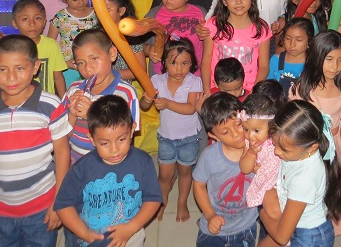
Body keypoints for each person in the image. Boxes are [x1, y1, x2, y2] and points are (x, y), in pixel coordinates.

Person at [0, 35, 71, 247]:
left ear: (35, 67)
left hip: (41, 207)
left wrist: (59, 201)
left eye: (20, 68)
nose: (11, 77)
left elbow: (62, 153)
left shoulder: (50, 105)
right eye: (2, 69)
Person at [55, 95, 162, 247]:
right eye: (105, 143)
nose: (114, 149)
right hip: (88, 241)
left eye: (121, 139)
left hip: (130, 235)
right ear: (92, 139)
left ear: (132, 130)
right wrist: (85, 234)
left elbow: (153, 199)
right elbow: (63, 205)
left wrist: (130, 228)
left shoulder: (143, 162)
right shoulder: (81, 169)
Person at [289, 30, 341, 236]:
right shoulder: (301, 90)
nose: (335, 66)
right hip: (308, 150)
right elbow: (293, 129)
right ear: (317, 57)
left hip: (334, 150)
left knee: (330, 193)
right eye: (329, 59)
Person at [259, 99, 341, 247]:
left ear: (312, 148)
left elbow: (282, 237)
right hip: (295, 223)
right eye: (275, 144)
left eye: (284, 149)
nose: (276, 151)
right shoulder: (297, 148)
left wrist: (262, 214)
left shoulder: (304, 180)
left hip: (310, 237)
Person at [139, 38, 202, 222]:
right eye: (173, 63)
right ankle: (162, 202)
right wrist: (146, 100)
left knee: (185, 172)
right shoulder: (156, 80)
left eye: (185, 63)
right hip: (166, 137)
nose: (179, 69)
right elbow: (144, 106)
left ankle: (182, 203)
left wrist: (167, 103)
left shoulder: (194, 81)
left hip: (189, 138)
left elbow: (191, 108)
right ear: (164, 62)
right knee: (164, 175)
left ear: (192, 63)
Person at [62, 29, 140, 164]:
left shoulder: (126, 93)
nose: (88, 68)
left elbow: (127, 137)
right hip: (76, 161)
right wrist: (72, 115)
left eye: (94, 59)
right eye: (81, 63)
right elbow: (62, 137)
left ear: (112, 54)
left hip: (110, 164)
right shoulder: (73, 89)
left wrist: (92, 114)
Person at [193, 92, 258, 246]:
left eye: (238, 124)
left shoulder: (258, 149)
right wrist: (210, 215)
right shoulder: (210, 156)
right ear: (213, 136)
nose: (236, 134)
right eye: (225, 132)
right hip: (214, 228)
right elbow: (198, 185)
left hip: (246, 226)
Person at [201, 0, 272, 95]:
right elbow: (206, 61)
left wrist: (253, 92)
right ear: (224, 1)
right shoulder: (214, 25)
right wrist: (207, 90)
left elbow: (264, 66)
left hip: (248, 90)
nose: (238, 2)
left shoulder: (261, 28)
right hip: (218, 89)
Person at [145, 0, 205, 76]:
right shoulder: (154, 14)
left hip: (194, 76)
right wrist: (148, 49)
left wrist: (206, 34)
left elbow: (212, 43)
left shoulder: (201, 13)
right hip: (162, 77)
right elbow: (137, 44)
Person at [48, 0, 99, 86]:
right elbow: (49, 45)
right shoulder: (60, 17)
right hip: (68, 68)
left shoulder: (96, 14)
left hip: (92, 65)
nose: (81, 2)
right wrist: (64, 63)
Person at [12, 0, 67, 97]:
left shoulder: (51, 45)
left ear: (44, 22)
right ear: (15, 23)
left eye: (37, 18)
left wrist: (64, 101)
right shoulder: (11, 48)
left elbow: (58, 77)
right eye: (25, 19)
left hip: (46, 100)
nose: (32, 24)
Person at [239, 93, 281, 212]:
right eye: (246, 129)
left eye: (256, 131)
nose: (250, 136)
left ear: (271, 126)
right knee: (267, 211)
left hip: (281, 183)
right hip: (264, 187)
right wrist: (251, 153)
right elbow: (245, 169)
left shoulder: (277, 139)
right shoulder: (248, 144)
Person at [101, 0, 145, 81]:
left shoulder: (130, 37)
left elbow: (141, 70)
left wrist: (108, 74)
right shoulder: (96, 34)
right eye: (99, 8)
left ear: (121, 11)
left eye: (107, 9)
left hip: (121, 87)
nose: (102, 13)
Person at [268, 17, 313, 93]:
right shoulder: (275, 60)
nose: (292, 44)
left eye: (298, 40)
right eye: (288, 38)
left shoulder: (313, 63)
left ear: (309, 42)